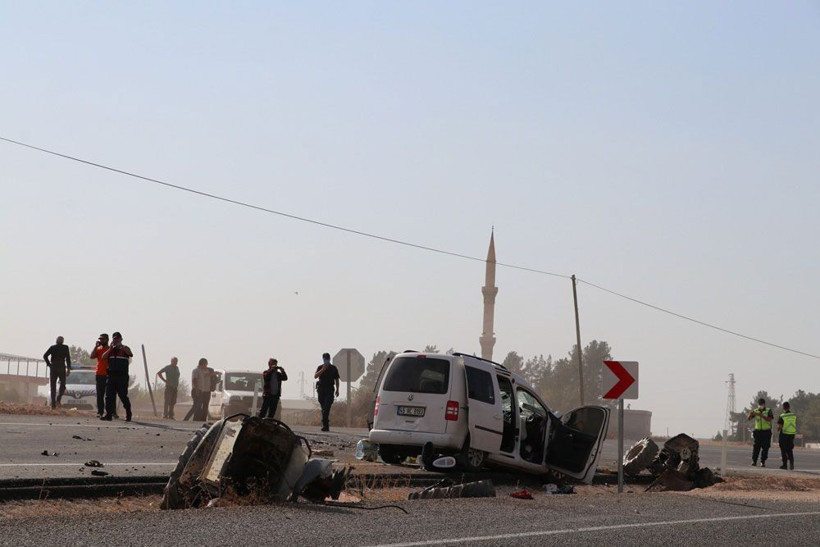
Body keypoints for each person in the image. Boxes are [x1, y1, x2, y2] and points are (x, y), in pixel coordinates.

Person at [100, 331, 133, 422]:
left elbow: (130, 354)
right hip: (111, 376)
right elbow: (103, 357)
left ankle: (128, 413)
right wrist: (110, 348)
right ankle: (109, 415)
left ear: (121, 339)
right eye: (114, 339)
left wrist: (121, 347)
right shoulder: (110, 350)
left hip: (122, 376)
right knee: (109, 396)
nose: (116, 340)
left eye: (117, 338)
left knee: (122, 395)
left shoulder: (125, 348)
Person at [43, 336, 72, 409]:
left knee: (55, 386)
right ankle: (56, 402)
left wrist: (49, 364)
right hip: (60, 367)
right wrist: (68, 368)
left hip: (55, 367)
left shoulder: (54, 347)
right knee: (61, 385)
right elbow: (68, 358)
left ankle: (55, 403)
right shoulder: (64, 347)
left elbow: (45, 356)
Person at [314, 352, 339, 432]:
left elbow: (337, 379)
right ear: (323, 359)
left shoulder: (333, 368)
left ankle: (326, 425)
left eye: (327, 359)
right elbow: (315, 376)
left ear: (329, 359)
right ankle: (325, 424)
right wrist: (323, 369)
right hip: (321, 389)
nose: (326, 361)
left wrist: (337, 389)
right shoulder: (320, 367)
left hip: (329, 389)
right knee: (323, 407)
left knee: (326, 407)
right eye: (325, 359)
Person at [747, 397, 774, 467]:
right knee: (756, 447)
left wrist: (762, 416)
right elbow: (749, 418)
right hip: (758, 432)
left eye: (761, 404)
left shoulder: (768, 410)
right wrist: (750, 414)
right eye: (759, 404)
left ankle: (763, 461)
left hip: (766, 432)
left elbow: (769, 419)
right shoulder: (755, 411)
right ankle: (754, 461)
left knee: (765, 447)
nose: (760, 406)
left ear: (764, 404)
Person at [89, 333, 110, 417]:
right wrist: (95, 346)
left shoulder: (109, 349)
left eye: (103, 339)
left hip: (108, 374)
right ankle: (100, 411)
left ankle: (110, 411)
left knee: (108, 395)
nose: (101, 341)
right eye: (100, 339)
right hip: (99, 374)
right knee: (100, 394)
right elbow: (92, 356)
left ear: (107, 340)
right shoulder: (98, 349)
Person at [777, 401, 797, 470]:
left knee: (783, 449)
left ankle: (784, 465)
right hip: (792, 434)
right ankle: (791, 463)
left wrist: (778, 429)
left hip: (784, 433)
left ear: (783, 408)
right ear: (789, 407)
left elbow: (780, 426)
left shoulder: (782, 416)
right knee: (789, 449)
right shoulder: (794, 415)